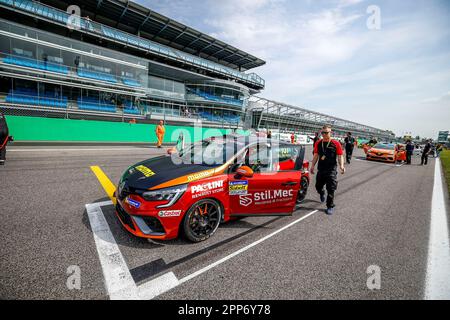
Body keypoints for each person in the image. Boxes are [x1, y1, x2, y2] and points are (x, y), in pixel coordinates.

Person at [310, 125, 345, 215]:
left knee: (331, 188)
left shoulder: (336, 143)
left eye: (326, 132)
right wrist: (312, 165)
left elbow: (340, 156)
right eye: (323, 132)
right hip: (321, 169)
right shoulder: (318, 143)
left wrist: (341, 166)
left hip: (331, 170)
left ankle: (329, 206)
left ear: (331, 133)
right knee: (318, 186)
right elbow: (316, 155)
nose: (324, 134)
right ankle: (321, 193)